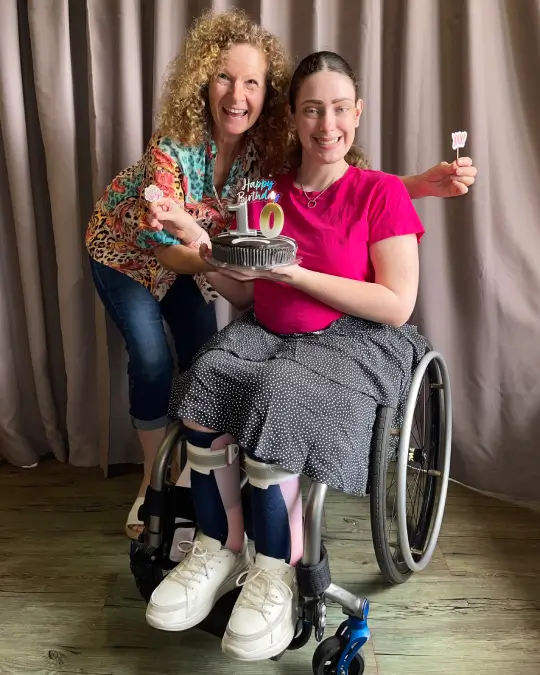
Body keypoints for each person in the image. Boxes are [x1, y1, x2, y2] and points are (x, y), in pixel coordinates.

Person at [86, 9, 476, 539]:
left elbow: (351, 185)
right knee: (172, 362)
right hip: (133, 252)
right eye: (225, 77)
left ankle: (263, 546)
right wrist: (210, 252)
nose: (237, 94)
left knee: (233, 363)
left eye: (251, 82)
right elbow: (184, 259)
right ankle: (175, 508)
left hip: (272, 301)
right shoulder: (202, 161)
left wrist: (417, 186)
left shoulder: (272, 159)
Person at [143, 50, 460, 663]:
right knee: (208, 376)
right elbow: (249, 290)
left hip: (359, 339)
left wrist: (298, 274)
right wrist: (214, 258)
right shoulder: (270, 194)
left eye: (339, 109)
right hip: (268, 330)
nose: (327, 124)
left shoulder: (382, 192)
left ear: (358, 113)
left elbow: (395, 304)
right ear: (293, 117)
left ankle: (276, 570)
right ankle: (218, 545)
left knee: (279, 394)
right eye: (312, 110)